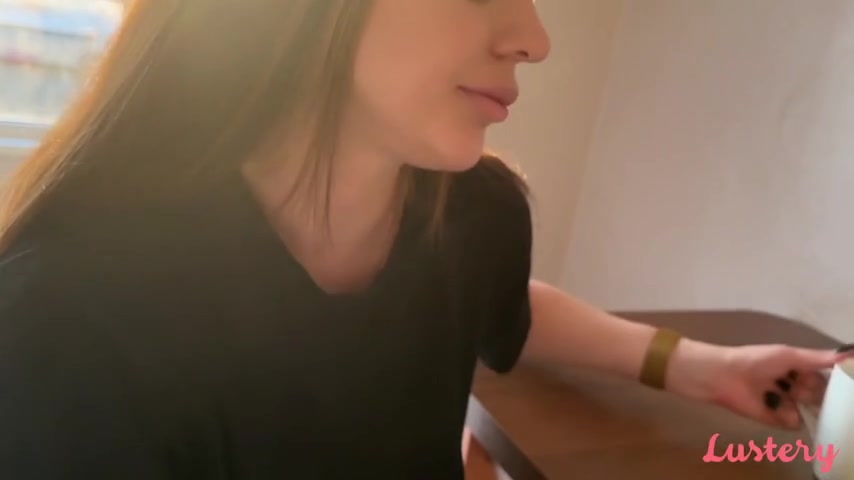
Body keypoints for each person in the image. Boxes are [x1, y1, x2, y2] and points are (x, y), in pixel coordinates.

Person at [0, 1, 849, 478]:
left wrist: (702, 366)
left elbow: (500, 309)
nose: (534, 38)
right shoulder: (66, 326)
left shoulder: (475, 214)